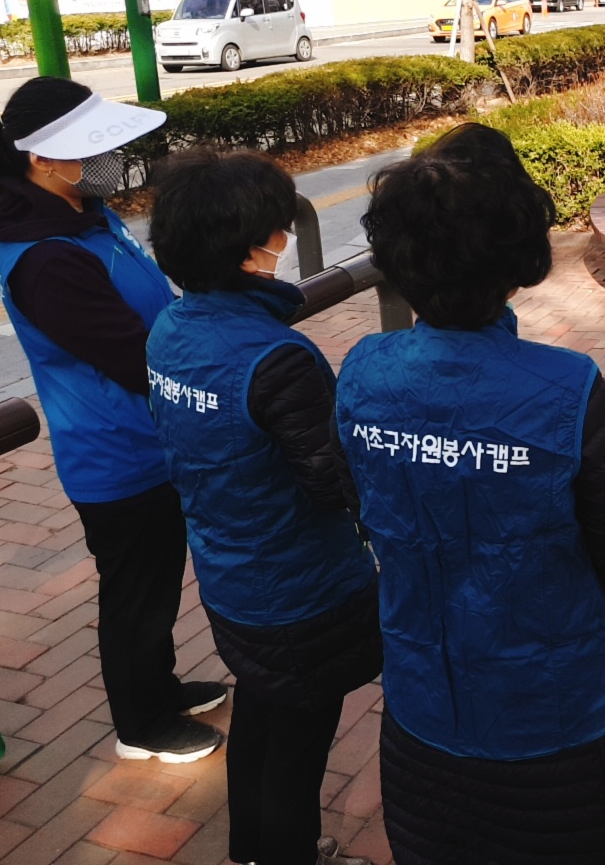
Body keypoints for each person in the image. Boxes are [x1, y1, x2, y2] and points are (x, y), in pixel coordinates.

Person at [336, 123, 605, 865]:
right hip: (560, 723)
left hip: (421, 713)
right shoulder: (567, 388)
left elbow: (362, 502)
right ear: (515, 261)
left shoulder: (363, 370)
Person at [0, 77, 225, 763]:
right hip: (118, 454)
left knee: (156, 581)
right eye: (92, 150)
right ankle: (142, 725)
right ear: (43, 160)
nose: (110, 162)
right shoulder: (47, 258)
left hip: (151, 439)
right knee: (136, 593)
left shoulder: (82, 214)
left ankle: (159, 688)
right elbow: (133, 356)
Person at [145, 151, 382, 865]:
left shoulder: (169, 330)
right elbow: (333, 484)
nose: (285, 239)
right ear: (248, 250)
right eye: (278, 229)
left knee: (260, 709)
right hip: (301, 588)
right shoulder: (276, 358)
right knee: (298, 746)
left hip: (228, 576)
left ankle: (248, 848)